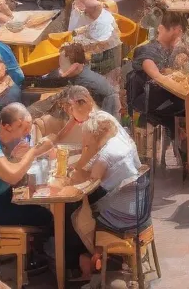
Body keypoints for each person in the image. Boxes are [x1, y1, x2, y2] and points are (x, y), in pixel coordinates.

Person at [0, 103, 59, 242]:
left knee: (44, 205)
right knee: (46, 216)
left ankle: (36, 248)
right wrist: (33, 152)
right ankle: (40, 253)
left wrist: (18, 157)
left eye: (29, 126)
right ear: (7, 126)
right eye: (24, 128)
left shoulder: (4, 133)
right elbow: (12, 176)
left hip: (1, 193)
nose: (28, 132)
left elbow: (10, 166)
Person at [68, 109, 143, 278]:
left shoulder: (105, 155)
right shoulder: (117, 144)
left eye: (86, 136)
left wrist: (73, 176)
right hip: (136, 205)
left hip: (121, 213)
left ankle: (79, 262)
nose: (84, 140)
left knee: (74, 212)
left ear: (94, 135)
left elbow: (90, 182)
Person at [126, 12, 186, 162]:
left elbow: (175, 69)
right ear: (175, 30)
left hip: (163, 95)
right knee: (186, 106)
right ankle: (185, 149)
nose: (180, 35)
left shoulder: (169, 49)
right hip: (147, 99)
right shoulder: (148, 51)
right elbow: (158, 77)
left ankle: (185, 146)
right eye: (179, 31)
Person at [33, 41, 120, 115]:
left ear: (75, 66)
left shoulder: (84, 82)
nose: (61, 67)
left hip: (106, 112)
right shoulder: (81, 72)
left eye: (64, 64)